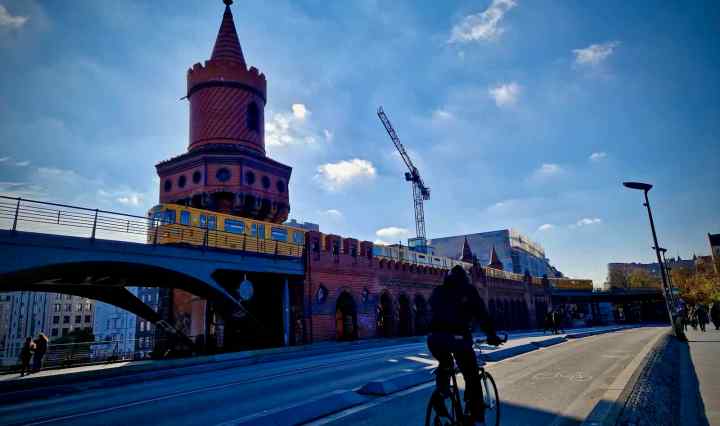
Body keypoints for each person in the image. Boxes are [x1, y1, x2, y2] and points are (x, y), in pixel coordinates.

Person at [428, 265, 503, 426]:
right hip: (458, 338)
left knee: (445, 364)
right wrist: (492, 335)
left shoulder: (438, 291)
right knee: (471, 375)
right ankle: (475, 417)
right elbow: (482, 315)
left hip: (434, 339)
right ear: (465, 278)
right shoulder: (468, 290)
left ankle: (441, 395)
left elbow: (430, 310)